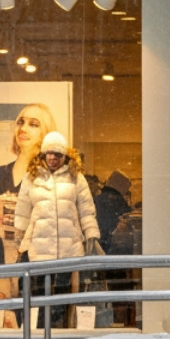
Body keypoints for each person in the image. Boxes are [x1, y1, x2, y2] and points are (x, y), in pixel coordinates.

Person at [14, 131, 101, 327]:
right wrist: (18, 240)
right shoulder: (31, 177)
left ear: (65, 156)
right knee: (38, 297)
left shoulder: (76, 178)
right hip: (38, 248)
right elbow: (22, 211)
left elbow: (86, 210)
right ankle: (38, 334)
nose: (52, 158)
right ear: (43, 154)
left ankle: (61, 334)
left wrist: (91, 235)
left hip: (68, 248)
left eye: (57, 154)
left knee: (63, 297)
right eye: (49, 153)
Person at [0, 103, 56, 255]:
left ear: (46, 134)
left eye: (33, 124)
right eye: (20, 122)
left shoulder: (52, 178)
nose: (23, 128)